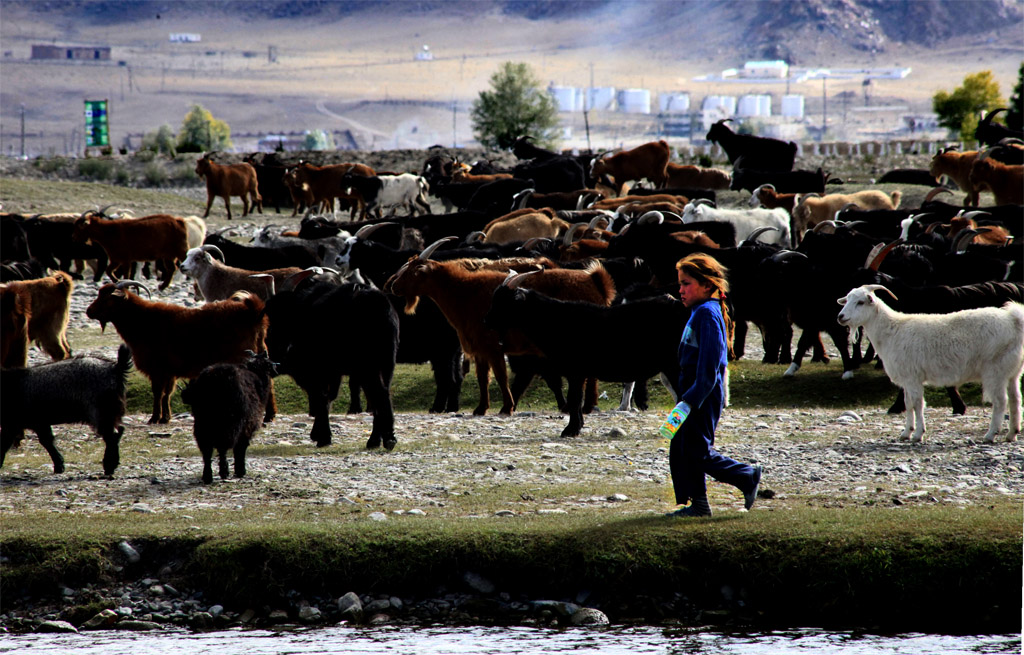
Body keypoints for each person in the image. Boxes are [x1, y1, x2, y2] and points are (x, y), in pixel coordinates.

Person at [665, 252, 761, 518]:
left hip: (702, 395)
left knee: (697, 450)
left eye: (686, 283)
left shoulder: (707, 315)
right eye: (680, 283)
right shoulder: (701, 311)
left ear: (707, 285)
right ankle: (698, 505)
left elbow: (709, 370)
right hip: (694, 394)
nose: (680, 289)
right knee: (684, 447)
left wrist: (688, 402)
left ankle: (747, 475)